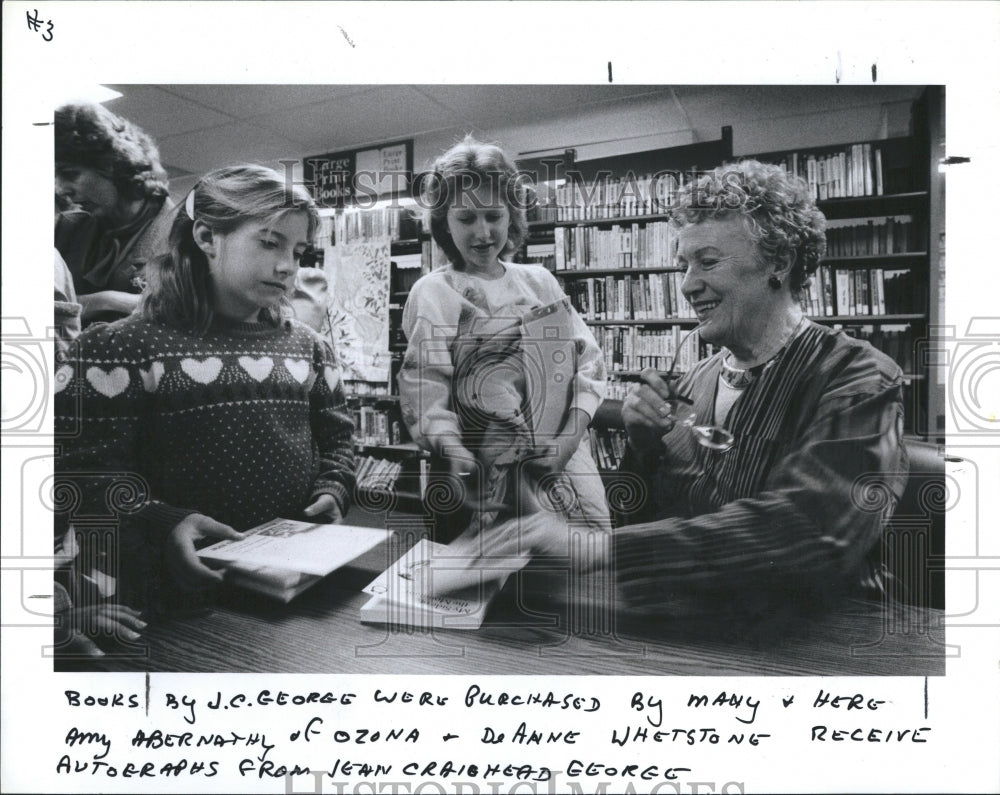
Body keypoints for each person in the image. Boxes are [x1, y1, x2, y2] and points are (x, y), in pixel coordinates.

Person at [487, 159, 909, 622]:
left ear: (779, 262)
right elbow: (650, 522)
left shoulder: (860, 377)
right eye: (683, 265)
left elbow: (812, 532)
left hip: (825, 645)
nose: (687, 285)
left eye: (707, 262)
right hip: (708, 633)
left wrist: (598, 547)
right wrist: (643, 448)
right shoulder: (691, 382)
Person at [54, 164, 357, 635]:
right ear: (207, 237)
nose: (288, 266)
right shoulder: (116, 348)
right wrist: (162, 520)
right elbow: (80, 472)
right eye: (270, 242)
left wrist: (333, 486)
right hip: (165, 602)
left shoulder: (309, 347)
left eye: (298, 251)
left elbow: (338, 438)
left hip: (291, 594)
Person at [398, 136, 612, 539]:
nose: (483, 232)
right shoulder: (433, 292)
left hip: (563, 458)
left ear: (511, 216)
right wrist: (455, 452)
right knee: (494, 577)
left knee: (585, 564)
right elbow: (425, 386)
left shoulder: (540, 281)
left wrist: (568, 441)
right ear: (443, 222)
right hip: (480, 473)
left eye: (494, 216)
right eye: (466, 219)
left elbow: (589, 365)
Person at [54, 102, 175, 325]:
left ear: (114, 164)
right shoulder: (62, 229)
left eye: (70, 174)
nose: (60, 189)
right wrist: (108, 301)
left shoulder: (186, 232)